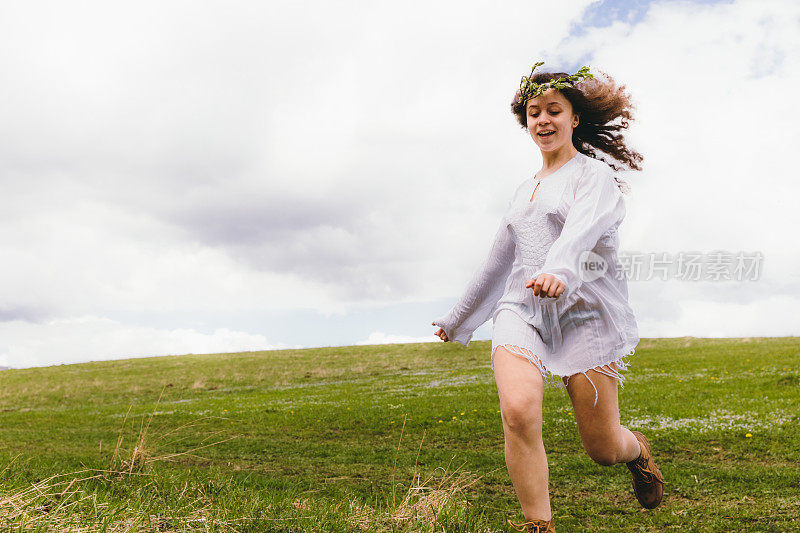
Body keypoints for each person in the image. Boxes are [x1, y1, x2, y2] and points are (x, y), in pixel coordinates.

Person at [431, 64, 664, 533]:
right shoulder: (522, 192)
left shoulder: (592, 177)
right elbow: (498, 262)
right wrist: (459, 319)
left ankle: (636, 449)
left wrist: (558, 270)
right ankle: (538, 525)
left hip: (585, 315)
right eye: (534, 113)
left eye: (553, 111)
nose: (543, 120)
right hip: (522, 310)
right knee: (517, 411)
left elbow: (582, 231)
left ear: (574, 118)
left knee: (601, 448)